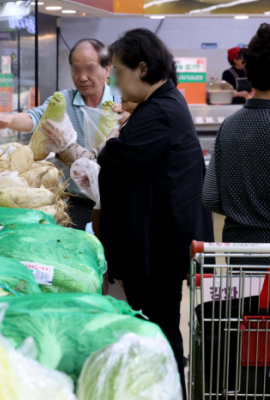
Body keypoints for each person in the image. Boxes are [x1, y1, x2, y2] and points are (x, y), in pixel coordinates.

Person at [98, 29, 213, 399]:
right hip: (155, 246)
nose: (113, 81)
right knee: (157, 328)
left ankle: (168, 392)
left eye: (117, 71)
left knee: (160, 331)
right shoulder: (158, 105)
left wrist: (109, 144)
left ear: (142, 68)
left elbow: (115, 159)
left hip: (158, 250)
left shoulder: (161, 110)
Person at [0, 39, 123, 230]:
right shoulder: (63, 100)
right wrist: (9, 120)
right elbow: (35, 118)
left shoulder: (122, 101)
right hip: (75, 204)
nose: (82, 77)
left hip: (115, 203)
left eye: (89, 69)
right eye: (76, 70)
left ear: (107, 69)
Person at [203, 23, 270, 265]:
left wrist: (243, 213)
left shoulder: (229, 126)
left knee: (247, 305)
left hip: (238, 251)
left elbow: (209, 196)